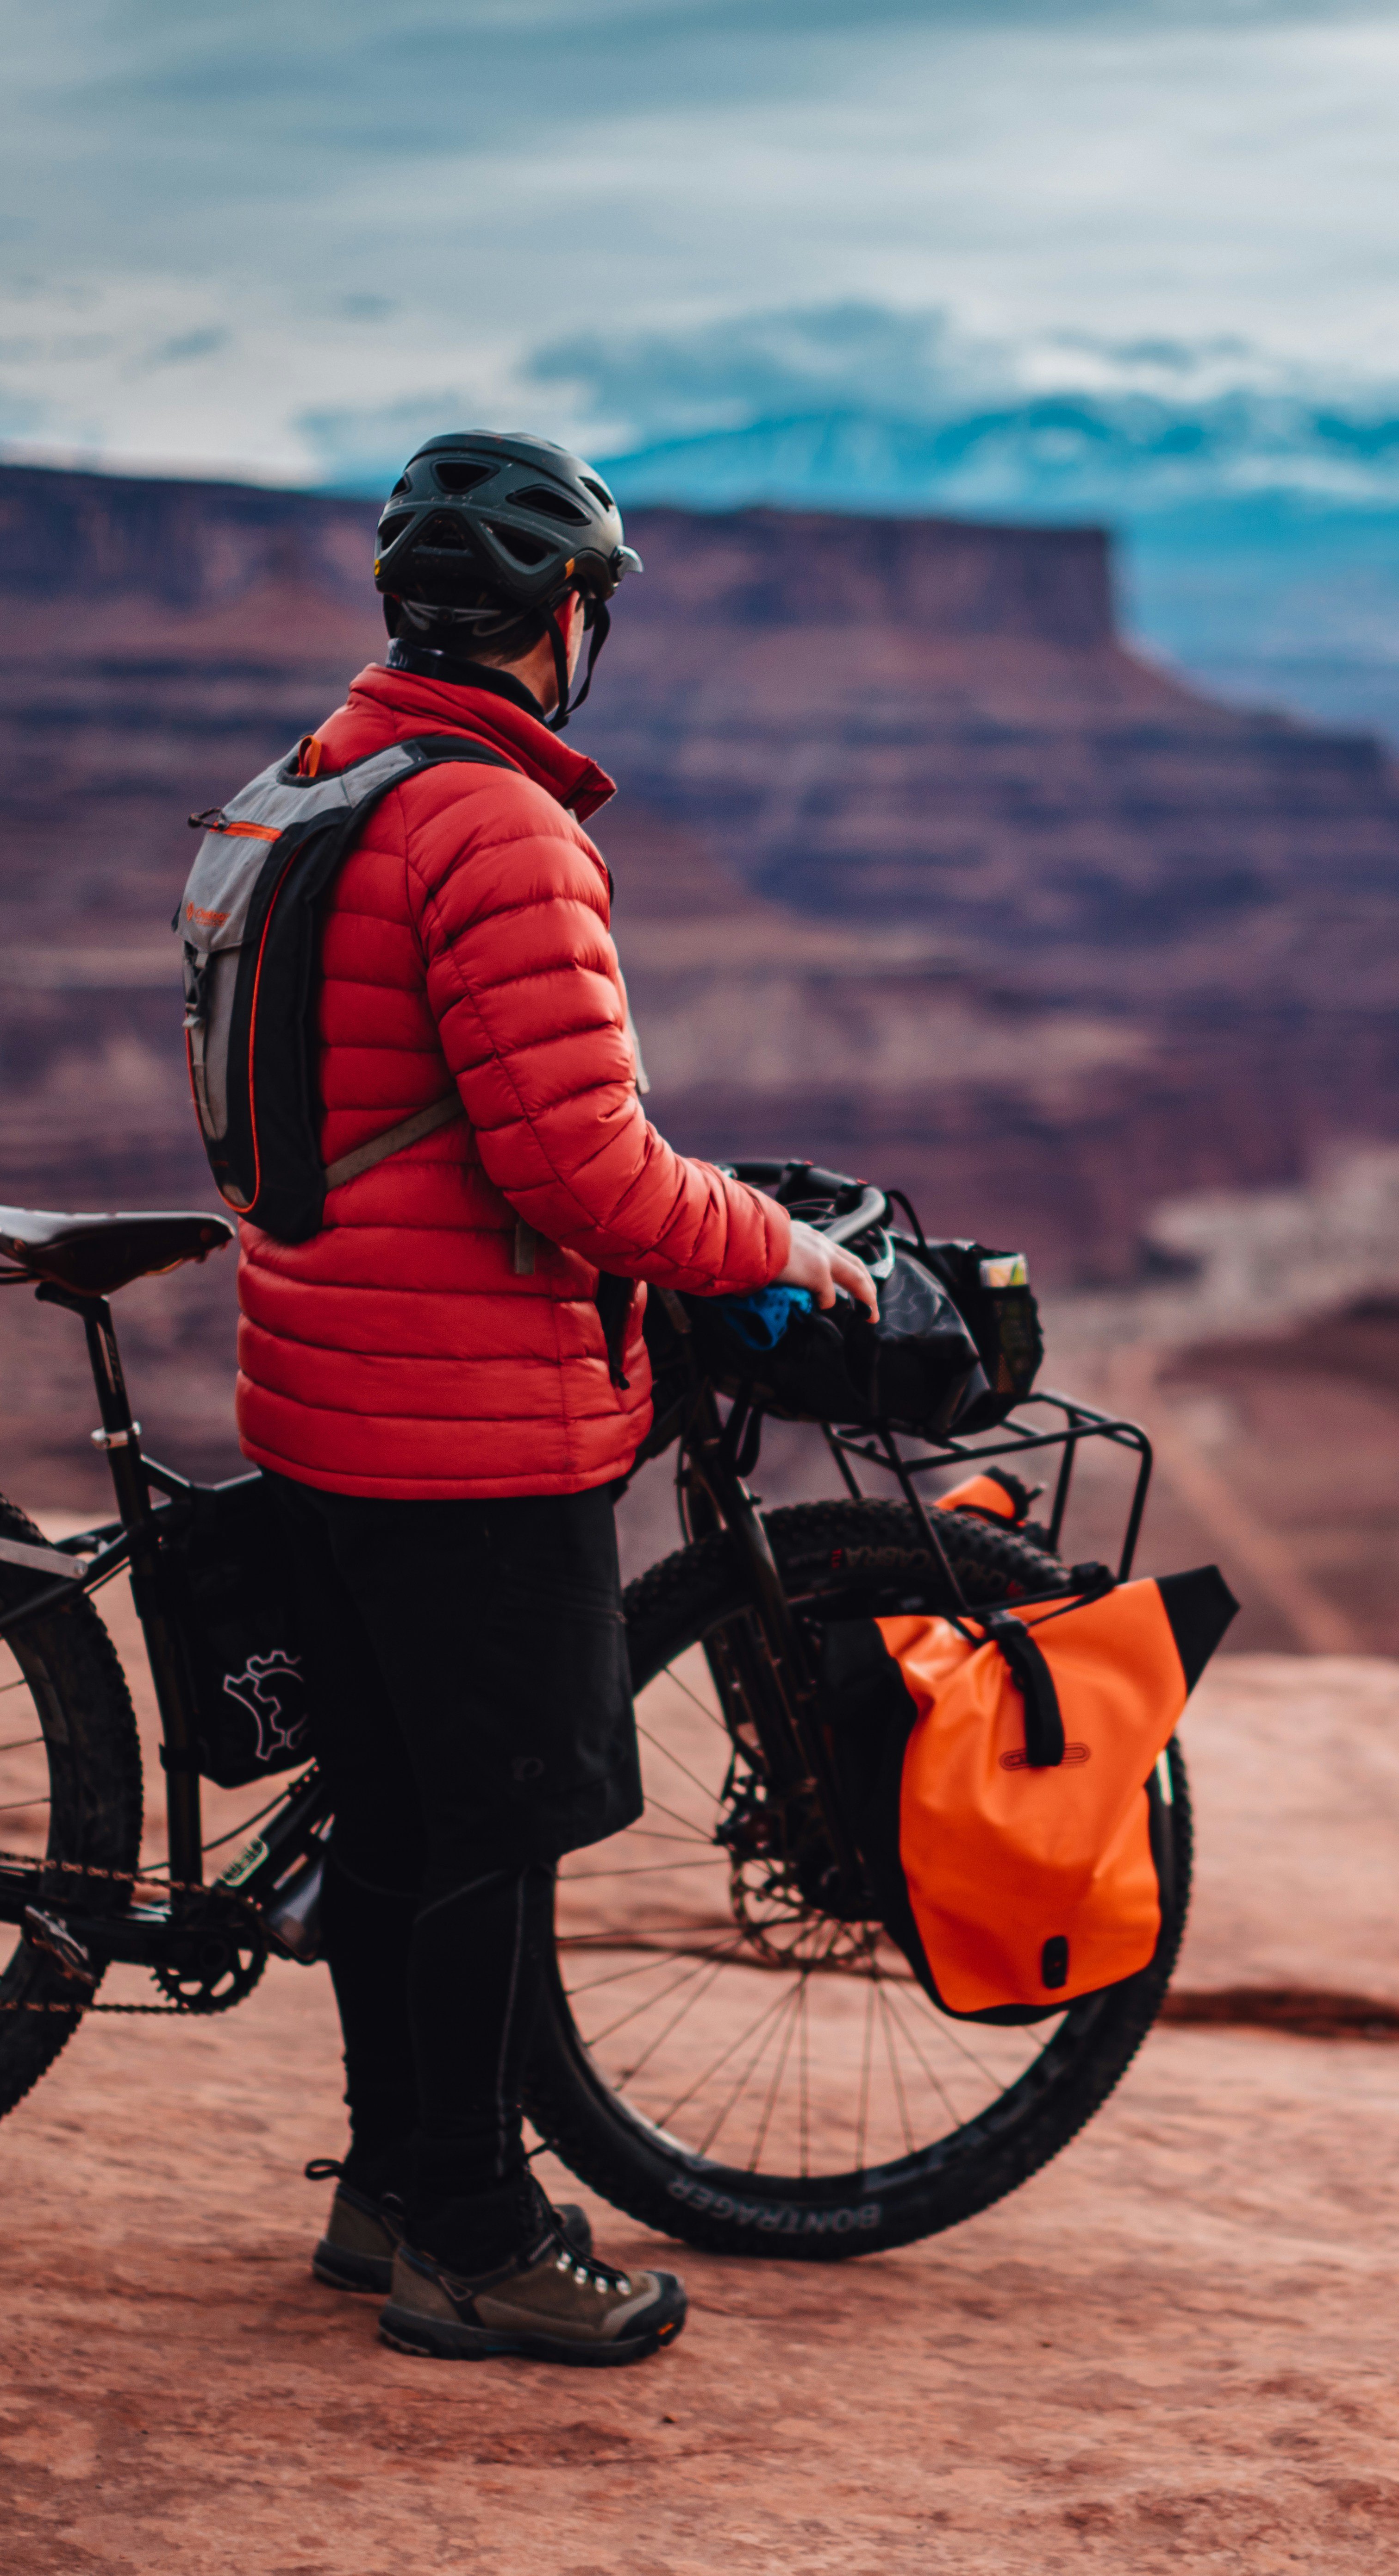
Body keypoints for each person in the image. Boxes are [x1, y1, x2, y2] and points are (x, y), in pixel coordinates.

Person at [239, 430, 875, 2367]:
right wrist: (779, 1249)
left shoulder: (311, 785)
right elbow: (583, 1170)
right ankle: (477, 2233)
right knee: (493, 1829)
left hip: (321, 1385)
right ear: (564, 621)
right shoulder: (497, 825)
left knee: (401, 1814)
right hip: (467, 1420)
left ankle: (389, 2185)